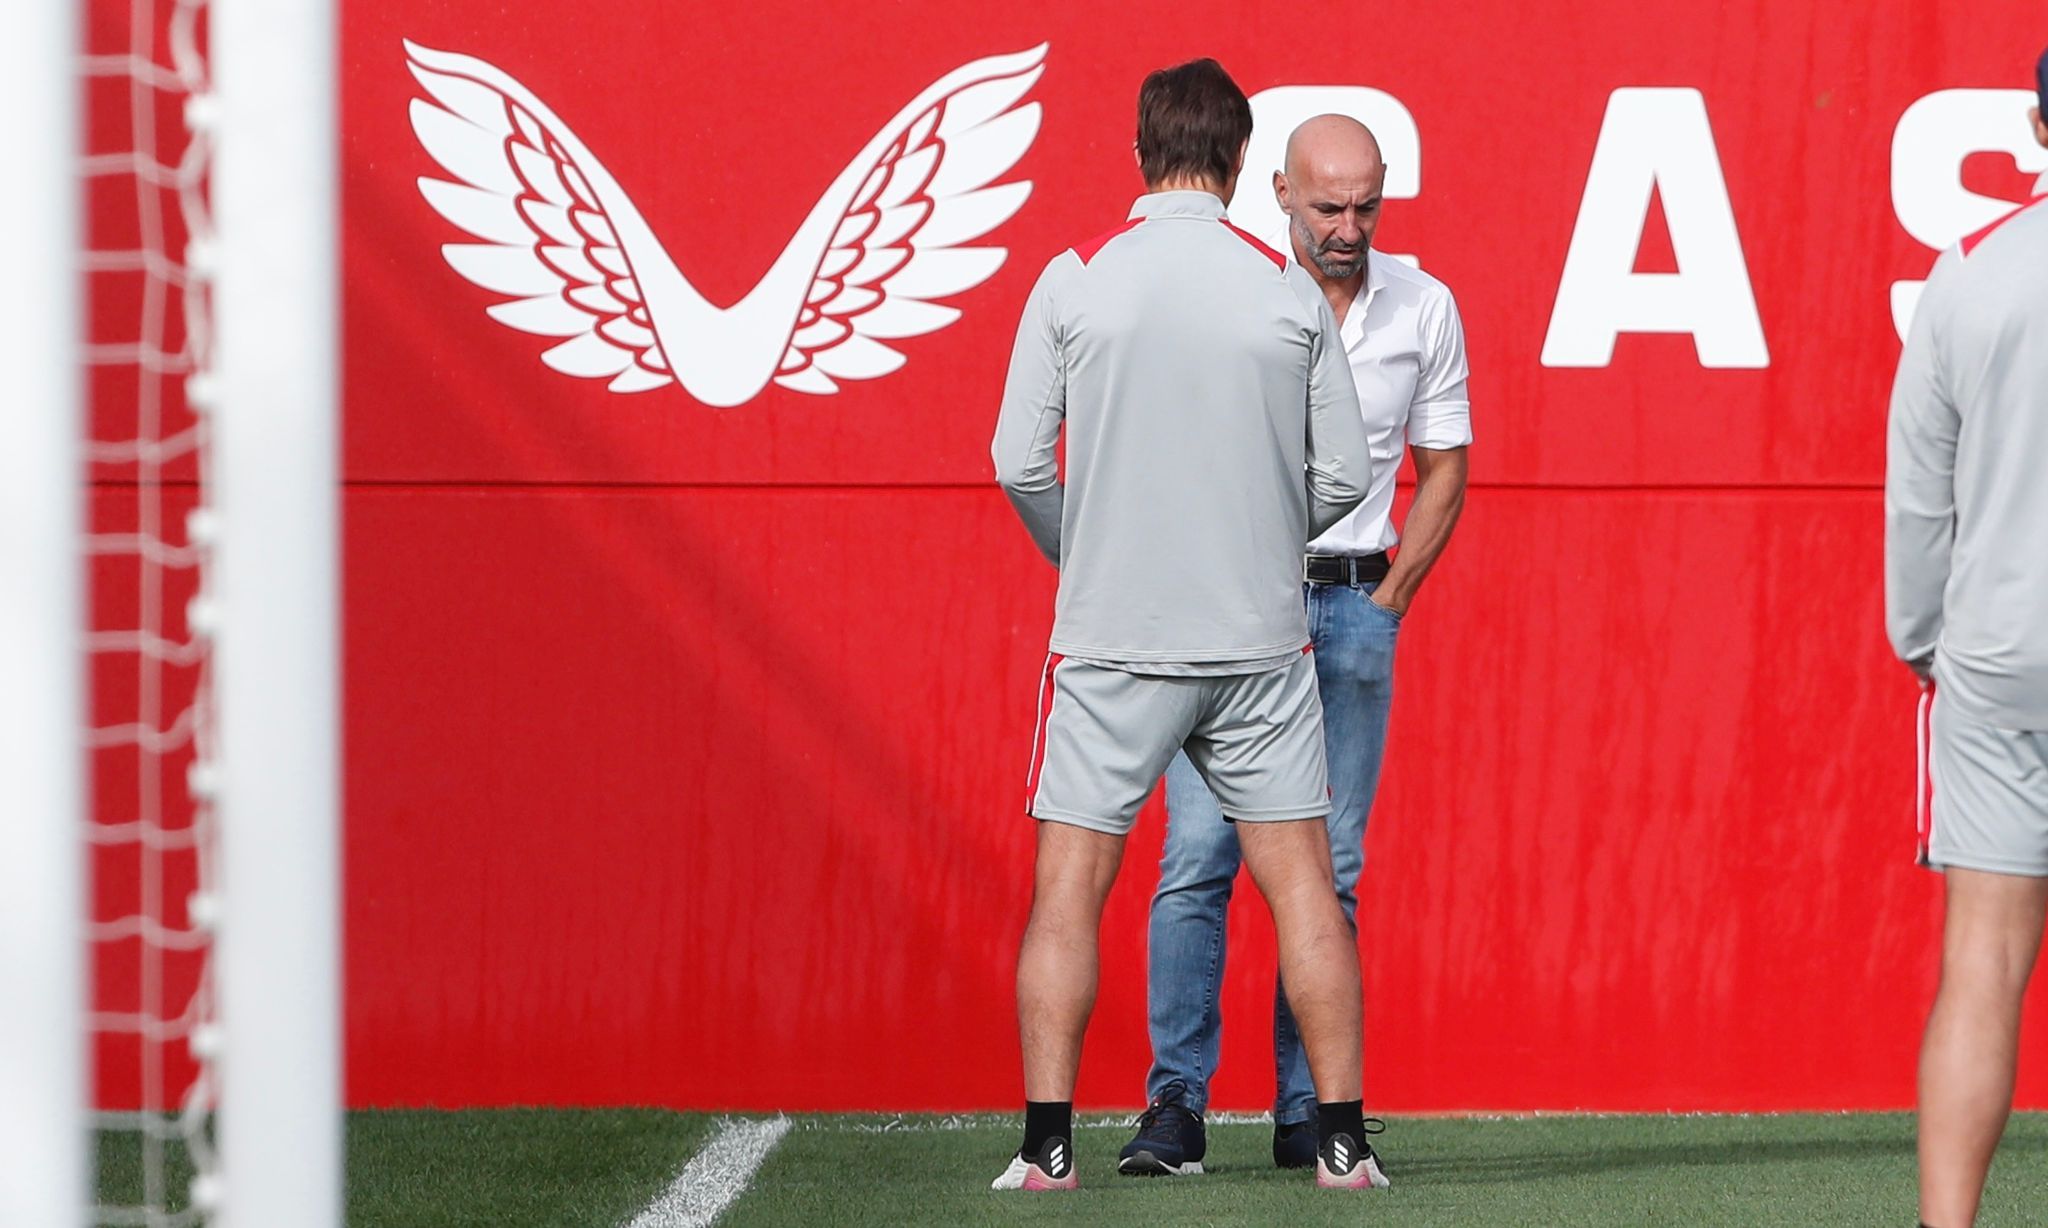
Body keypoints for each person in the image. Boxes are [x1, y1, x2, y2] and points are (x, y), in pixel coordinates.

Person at [988, 58, 1381, 1192]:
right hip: (1257, 641)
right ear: (1240, 160)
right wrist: (1258, 540)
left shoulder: (1075, 283)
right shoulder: (1285, 291)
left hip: (1112, 640)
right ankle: (1342, 1142)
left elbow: (1015, 461)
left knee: (1070, 885)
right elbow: (1346, 472)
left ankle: (1047, 1145)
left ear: (1138, 154)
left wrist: (1091, 548)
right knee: (1303, 885)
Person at [1118, 114, 1471, 1177]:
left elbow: (1444, 464)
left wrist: (1388, 597)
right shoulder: (1235, 292)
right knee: (1194, 858)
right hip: (1233, 617)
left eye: (1366, 205)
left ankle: (1304, 1110)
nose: (1348, 227)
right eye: (1326, 206)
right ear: (1274, 191)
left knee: (1334, 868)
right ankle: (1174, 1107)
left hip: (1353, 606)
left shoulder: (1424, 304)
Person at [1890, 48, 2048, 1228]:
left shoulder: (1969, 272)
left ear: (2037, 125)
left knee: (1982, 963)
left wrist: (1920, 635)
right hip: (1997, 649)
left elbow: (1918, 493)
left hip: (1999, 647)